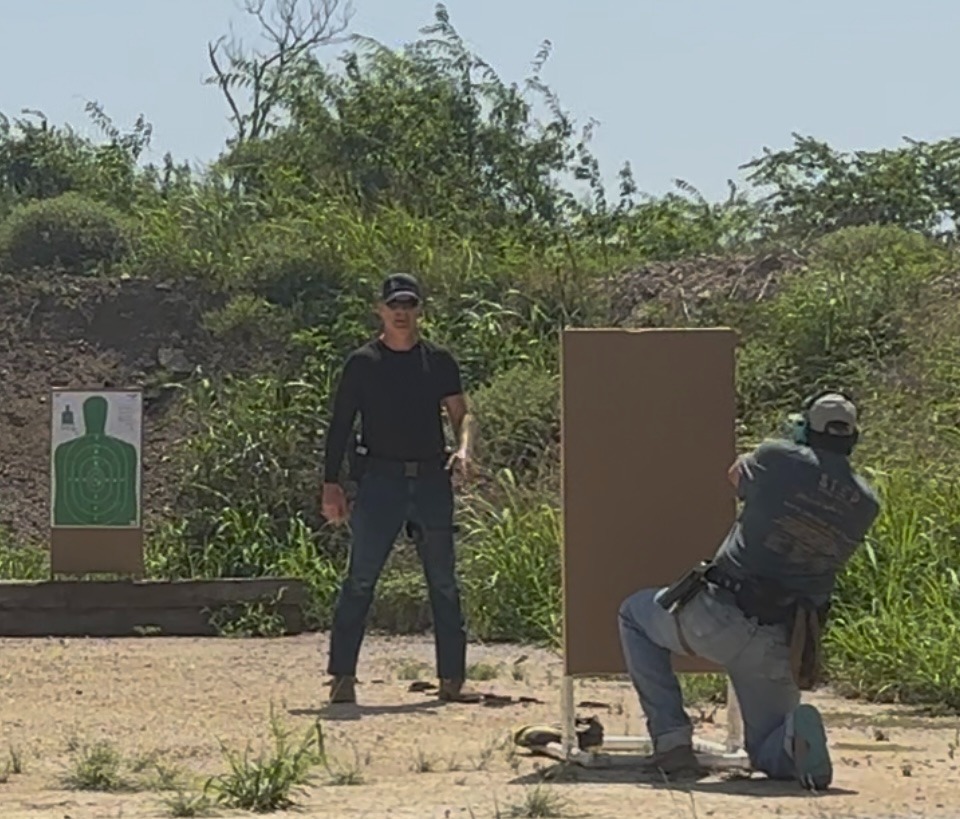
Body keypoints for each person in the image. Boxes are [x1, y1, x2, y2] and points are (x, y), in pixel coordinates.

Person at [617, 390, 881, 790]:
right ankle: (792, 740)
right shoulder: (866, 502)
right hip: (782, 640)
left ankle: (672, 742)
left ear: (806, 429)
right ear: (853, 438)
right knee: (765, 749)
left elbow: (735, 476)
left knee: (634, 616)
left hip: (716, 616)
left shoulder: (778, 457)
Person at [319, 272, 479, 705]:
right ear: (380, 310)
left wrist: (464, 449)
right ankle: (342, 676)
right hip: (380, 481)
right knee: (361, 578)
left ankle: (452, 678)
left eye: (409, 305)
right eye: (394, 305)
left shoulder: (439, 360)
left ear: (419, 310)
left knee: (443, 581)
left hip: (430, 479)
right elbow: (340, 425)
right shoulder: (363, 363)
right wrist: (331, 484)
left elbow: (462, 414)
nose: (401, 313)